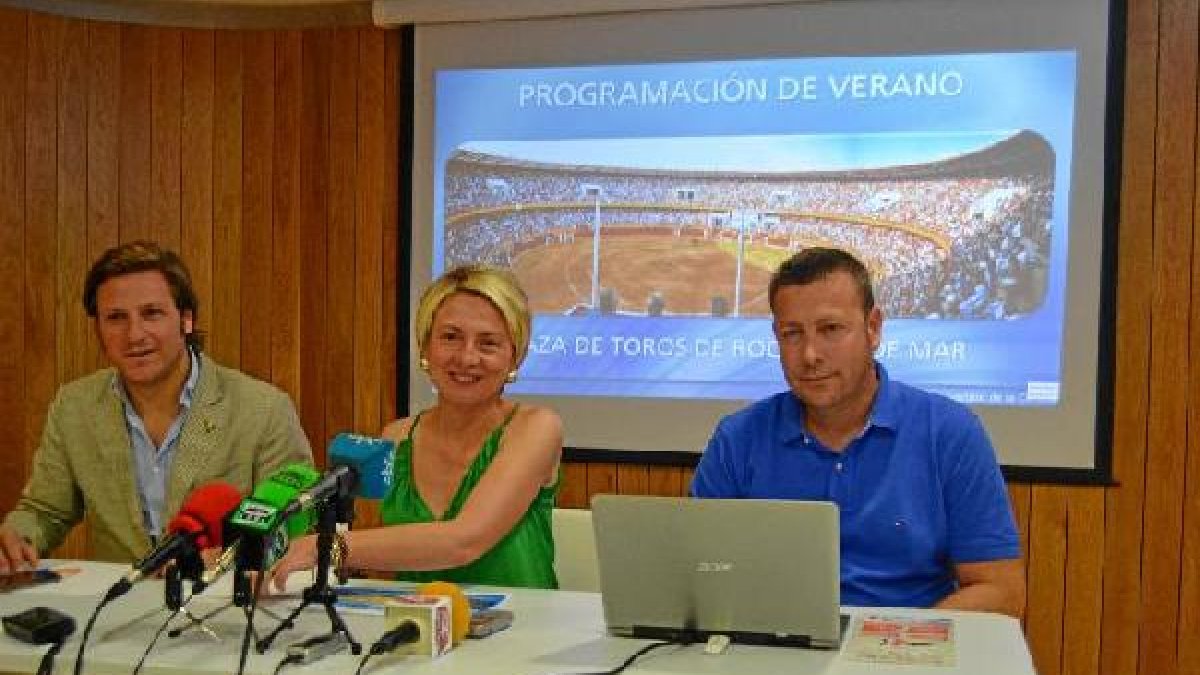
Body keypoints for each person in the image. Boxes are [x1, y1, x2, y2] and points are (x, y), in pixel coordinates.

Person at [691, 247, 1025, 618]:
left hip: (908, 655)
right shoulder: (737, 438)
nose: (810, 355)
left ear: (873, 328)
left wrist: (896, 644)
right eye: (792, 334)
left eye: (830, 329)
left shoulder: (949, 433)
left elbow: (1000, 591)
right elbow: (697, 576)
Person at [0, 241, 314, 570]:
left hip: (226, 610)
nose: (134, 334)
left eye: (152, 313)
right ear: (98, 330)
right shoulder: (74, 407)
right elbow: (46, 512)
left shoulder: (263, 409)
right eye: (116, 318)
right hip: (115, 611)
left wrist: (221, 561)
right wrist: (17, 538)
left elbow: (297, 527)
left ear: (186, 320)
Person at [271, 264, 562, 590]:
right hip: (414, 632)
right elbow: (366, 552)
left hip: (527, 632)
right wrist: (276, 569)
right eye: (451, 337)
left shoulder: (537, 428)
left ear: (516, 357)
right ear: (424, 348)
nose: (467, 358)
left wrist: (325, 548)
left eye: (488, 343)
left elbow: (463, 542)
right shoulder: (394, 438)